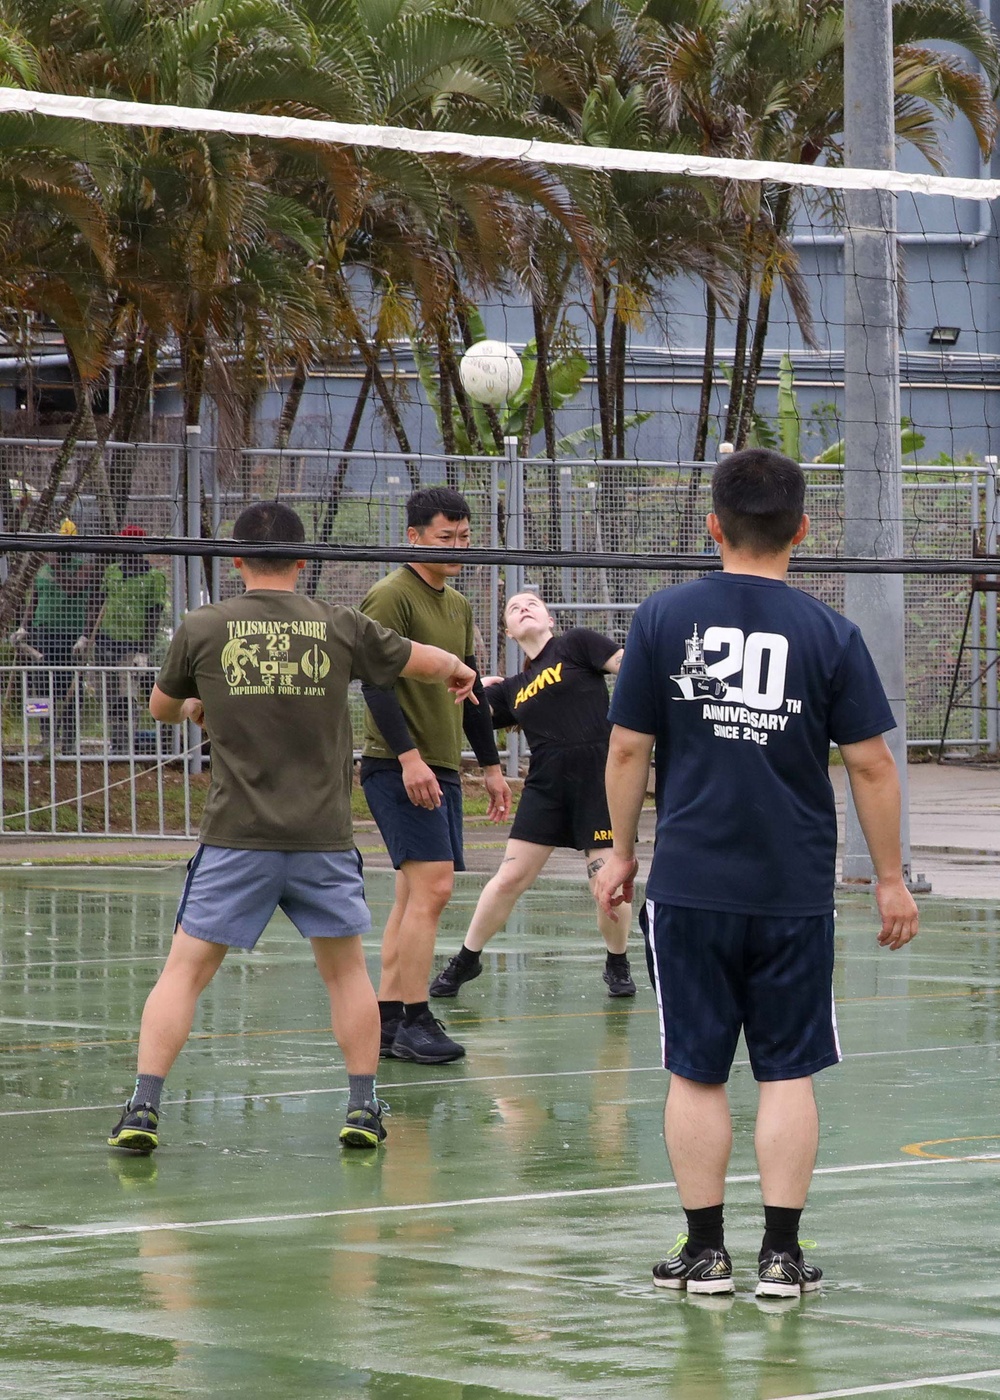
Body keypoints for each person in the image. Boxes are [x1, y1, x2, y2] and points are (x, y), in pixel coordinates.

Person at [594, 448, 919, 1299]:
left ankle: (705, 1255)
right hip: (792, 890)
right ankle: (781, 1256)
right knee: (787, 1071)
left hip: (690, 886)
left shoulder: (663, 618)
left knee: (695, 1070)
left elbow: (628, 746)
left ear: (714, 526)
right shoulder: (828, 632)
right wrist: (888, 877)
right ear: (803, 530)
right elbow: (873, 766)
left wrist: (620, 851)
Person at [107, 501, 480, 1156]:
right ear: (303, 563)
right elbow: (420, 659)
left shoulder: (204, 626)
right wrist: (459, 668)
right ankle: (363, 1106)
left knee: (184, 973)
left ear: (238, 562)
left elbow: (163, 706)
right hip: (322, 840)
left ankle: (143, 1105)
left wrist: (199, 702)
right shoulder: (339, 624)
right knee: (345, 977)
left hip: (235, 838)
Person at [360, 486, 513, 1066]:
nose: (457, 548)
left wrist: (492, 767)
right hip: (399, 765)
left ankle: (389, 1018)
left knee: (413, 894)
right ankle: (416, 1018)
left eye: (464, 537)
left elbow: (469, 690)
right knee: (435, 888)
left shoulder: (458, 603)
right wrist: (407, 757)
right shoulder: (390, 596)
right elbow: (374, 683)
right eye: (445, 538)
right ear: (414, 537)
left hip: (442, 765)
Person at [430, 590, 636, 1001]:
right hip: (546, 785)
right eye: (514, 608)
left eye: (532, 604)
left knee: (605, 881)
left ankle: (617, 961)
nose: (524, 609)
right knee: (509, 878)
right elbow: (465, 713)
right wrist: (475, 685)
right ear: (508, 631)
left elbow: (628, 666)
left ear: (550, 619)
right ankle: (467, 959)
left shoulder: (577, 644)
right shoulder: (512, 689)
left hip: (598, 778)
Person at [80, 526, 167, 753]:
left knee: (127, 697)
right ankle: (115, 742)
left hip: (131, 646)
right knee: (107, 696)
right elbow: (97, 604)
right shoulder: (112, 572)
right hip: (105, 642)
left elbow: (153, 616)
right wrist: (86, 636)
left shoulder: (153, 578)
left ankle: (126, 745)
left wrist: (143, 652)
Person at [10, 519, 93, 753]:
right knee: (41, 686)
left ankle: (69, 739)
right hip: (43, 634)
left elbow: (72, 588)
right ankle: (46, 735)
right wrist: (24, 627)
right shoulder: (43, 570)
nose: (62, 550)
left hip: (69, 636)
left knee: (69, 687)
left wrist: (85, 636)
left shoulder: (82, 567)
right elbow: (33, 599)